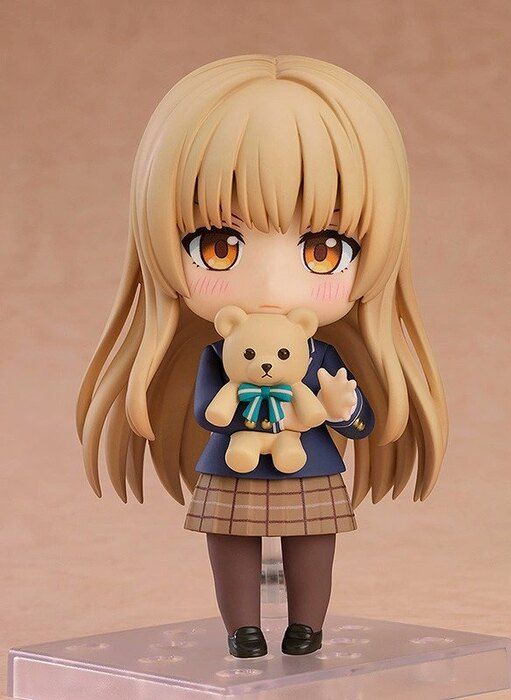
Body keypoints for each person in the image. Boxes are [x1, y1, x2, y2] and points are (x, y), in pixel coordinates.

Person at [76, 54, 448, 658]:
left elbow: (359, 424)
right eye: (219, 246)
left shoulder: (322, 353)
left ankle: (307, 627)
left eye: (324, 249)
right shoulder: (218, 355)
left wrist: (343, 408)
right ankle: (242, 629)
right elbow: (209, 413)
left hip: (312, 466)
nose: (273, 285)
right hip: (232, 466)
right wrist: (236, 403)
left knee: (314, 544)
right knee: (229, 543)